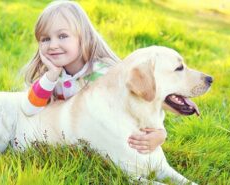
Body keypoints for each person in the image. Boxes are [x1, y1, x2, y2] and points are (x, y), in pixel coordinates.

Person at [21, 0, 166, 154]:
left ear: (83, 37)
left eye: (62, 36)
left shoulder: (105, 74)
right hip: (74, 142)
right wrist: (50, 77)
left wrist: (160, 134)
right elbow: (29, 109)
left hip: (110, 142)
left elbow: (141, 107)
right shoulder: (50, 77)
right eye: (45, 39)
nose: (53, 45)